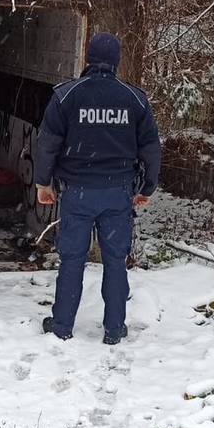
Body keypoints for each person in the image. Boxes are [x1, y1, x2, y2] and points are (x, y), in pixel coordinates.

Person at [32, 31, 161, 345]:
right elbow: (151, 148)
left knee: (72, 259)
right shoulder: (134, 99)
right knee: (115, 261)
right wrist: (147, 187)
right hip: (117, 192)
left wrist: (43, 182)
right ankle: (114, 329)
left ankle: (62, 325)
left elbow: (47, 144)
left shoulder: (67, 95)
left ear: (90, 57)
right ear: (116, 60)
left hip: (77, 192)